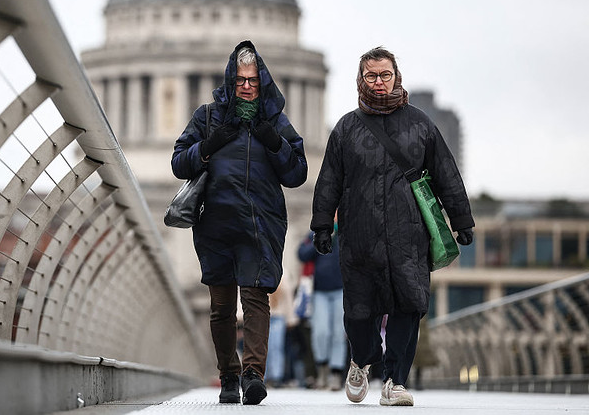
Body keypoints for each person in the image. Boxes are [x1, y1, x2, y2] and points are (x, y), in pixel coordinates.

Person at [309, 46, 474, 407]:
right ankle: (361, 360)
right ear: (360, 79)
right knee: (358, 309)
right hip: (359, 234)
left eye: (385, 75)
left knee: (409, 305)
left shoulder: (420, 124)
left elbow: (446, 172)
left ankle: (395, 382)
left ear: (396, 76)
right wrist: (322, 225)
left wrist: (461, 219)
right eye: (372, 76)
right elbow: (329, 180)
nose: (379, 83)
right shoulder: (346, 128)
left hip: (408, 234)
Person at [171, 40, 308, 405]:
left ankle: (252, 375)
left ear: (262, 81)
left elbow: (297, 174)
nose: (247, 86)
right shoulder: (207, 117)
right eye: (240, 80)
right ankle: (228, 376)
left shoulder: (274, 121)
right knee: (221, 307)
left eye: (253, 80)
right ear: (230, 80)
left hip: (260, 223)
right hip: (216, 222)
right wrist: (208, 146)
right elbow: (178, 162)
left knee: (256, 298)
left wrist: (274, 142)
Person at [298, 228, 347, 391]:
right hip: (319, 292)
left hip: (341, 290)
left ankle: (336, 373)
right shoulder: (313, 233)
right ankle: (322, 368)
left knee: (339, 333)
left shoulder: (346, 232)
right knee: (320, 332)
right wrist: (319, 238)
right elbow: (302, 254)